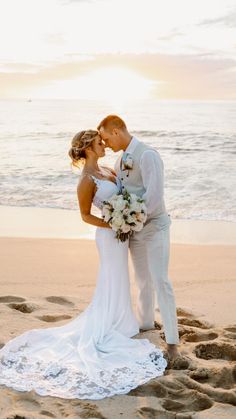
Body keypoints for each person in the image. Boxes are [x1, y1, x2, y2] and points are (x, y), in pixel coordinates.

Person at [0, 129, 166, 400]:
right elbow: (86, 216)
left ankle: (122, 320)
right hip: (108, 234)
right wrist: (114, 223)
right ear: (88, 147)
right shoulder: (86, 180)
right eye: (100, 143)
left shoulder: (107, 171)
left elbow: (123, 196)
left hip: (119, 234)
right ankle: (114, 322)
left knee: (120, 276)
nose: (104, 146)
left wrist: (127, 218)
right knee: (112, 276)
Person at [98, 115, 180, 360]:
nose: (106, 144)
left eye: (105, 138)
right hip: (133, 230)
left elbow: (154, 196)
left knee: (161, 281)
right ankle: (146, 325)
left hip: (154, 228)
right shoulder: (119, 159)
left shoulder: (147, 155)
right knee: (142, 280)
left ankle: (173, 342)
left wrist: (134, 218)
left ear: (116, 131)